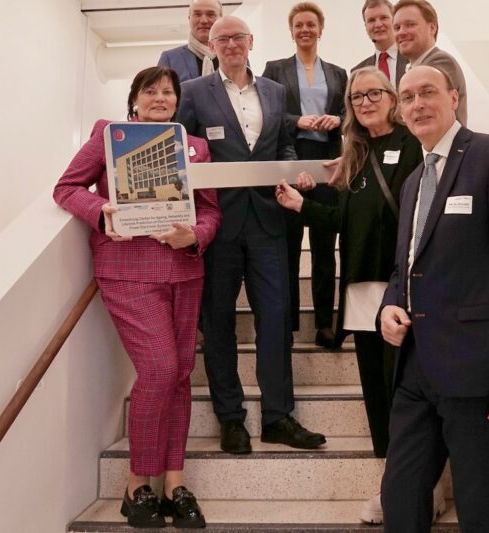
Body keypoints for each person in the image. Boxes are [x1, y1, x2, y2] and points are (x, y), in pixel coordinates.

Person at [378, 65, 489, 532]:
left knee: (481, 505)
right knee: (400, 496)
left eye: (427, 92)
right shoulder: (413, 181)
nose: (417, 104)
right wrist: (390, 304)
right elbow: (405, 267)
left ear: (454, 98)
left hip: (477, 373)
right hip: (415, 369)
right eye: (407, 97)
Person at [54, 66, 221, 529]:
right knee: (161, 368)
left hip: (185, 270)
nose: (161, 98)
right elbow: (65, 188)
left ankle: (174, 483)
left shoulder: (195, 146)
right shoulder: (109, 135)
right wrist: (101, 209)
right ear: (135, 100)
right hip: (127, 271)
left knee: (182, 374)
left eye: (169, 92)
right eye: (152, 91)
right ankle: (136, 484)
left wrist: (195, 235)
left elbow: (209, 211)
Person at [275, 66, 428, 523]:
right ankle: (390, 484)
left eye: (373, 94)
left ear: (392, 97)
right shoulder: (354, 155)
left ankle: (421, 485)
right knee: (377, 395)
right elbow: (340, 219)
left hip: (405, 290)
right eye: (357, 98)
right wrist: (304, 206)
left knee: (406, 392)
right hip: (362, 294)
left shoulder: (414, 144)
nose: (364, 103)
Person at [177, 15, 326, 455]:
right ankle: (231, 418)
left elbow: (283, 144)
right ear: (212, 45)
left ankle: (278, 417)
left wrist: (291, 169)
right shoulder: (192, 93)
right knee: (218, 322)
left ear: (251, 41)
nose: (230, 44)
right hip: (217, 224)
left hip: (268, 221)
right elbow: (185, 150)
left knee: (276, 319)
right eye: (222, 38)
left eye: (238, 37)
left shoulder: (276, 92)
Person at [262, 2, 347, 349]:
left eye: (311, 24)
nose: (305, 30)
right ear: (291, 30)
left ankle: (325, 324)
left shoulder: (339, 73)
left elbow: (348, 112)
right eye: (299, 25)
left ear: (321, 29)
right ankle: (288, 323)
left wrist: (338, 120)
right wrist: (296, 120)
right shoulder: (275, 69)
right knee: (289, 247)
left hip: (328, 162)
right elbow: (268, 114)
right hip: (291, 158)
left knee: (326, 247)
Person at [392, 0, 468, 126]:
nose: (401, 32)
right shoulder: (410, 68)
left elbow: (403, 114)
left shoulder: (442, 62)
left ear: (432, 28)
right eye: (397, 28)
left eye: (410, 24)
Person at [158, 0, 222, 82]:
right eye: (197, 14)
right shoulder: (170, 58)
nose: (203, 21)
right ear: (189, 18)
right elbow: (160, 92)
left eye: (210, 14)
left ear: (220, 19)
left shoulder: (233, 56)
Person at [352, 0, 408, 89]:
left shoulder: (414, 60)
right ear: (365, 27)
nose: (378, 24)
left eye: (383, 18)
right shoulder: (358, 72)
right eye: (371, 20)